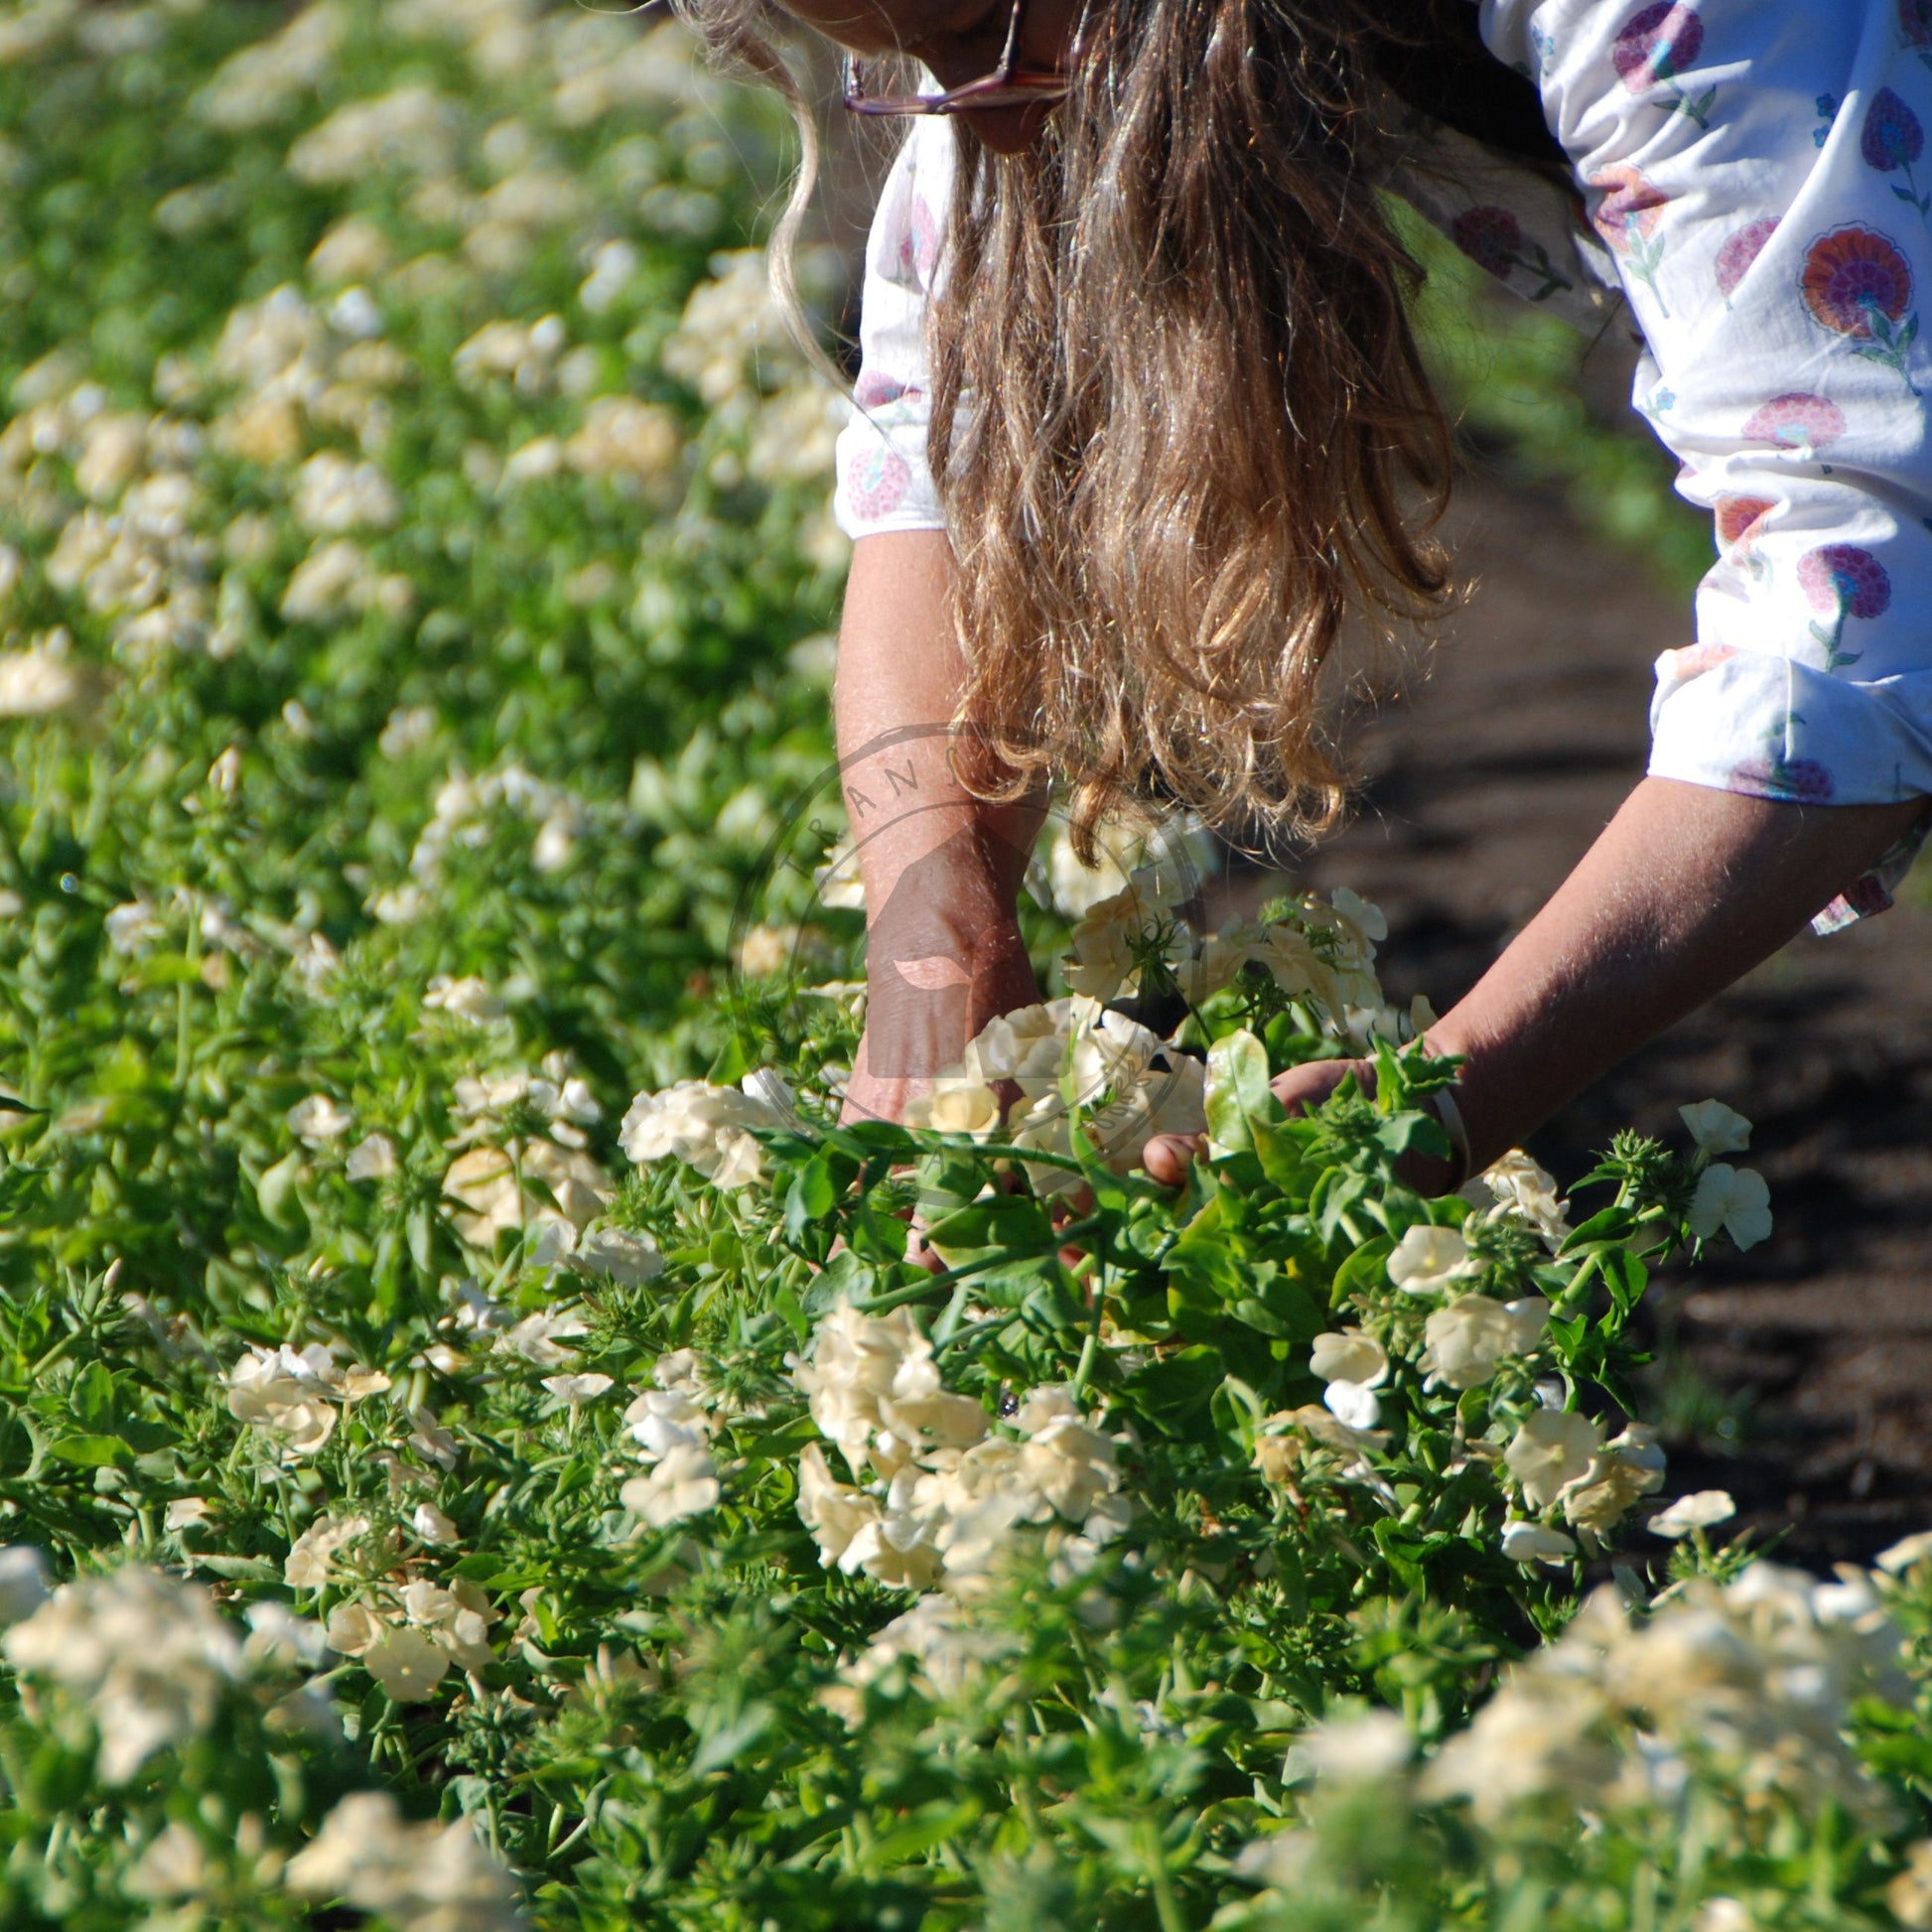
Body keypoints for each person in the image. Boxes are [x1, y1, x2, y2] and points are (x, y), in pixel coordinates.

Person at [679, 0, 1932, 1194]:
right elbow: (942, 439)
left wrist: (1449, 1092)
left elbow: (1855, 588)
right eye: (913, 69)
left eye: (971, 33)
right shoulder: (1041, 61)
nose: (989, 121)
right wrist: (934, 936)